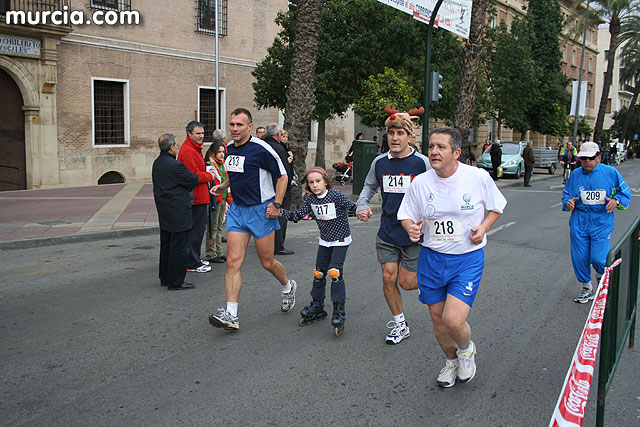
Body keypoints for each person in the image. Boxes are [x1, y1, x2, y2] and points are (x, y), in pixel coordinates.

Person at [398, 126, 507, 388]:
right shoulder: (421, 183)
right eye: (431, 146)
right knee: (437, 319)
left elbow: (497, 206)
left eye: (441, 147)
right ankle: (451, 362)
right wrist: (410, 227)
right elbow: (406, 214)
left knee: (453, 320)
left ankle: (466, 350)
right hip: (432, 259)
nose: (434, 152)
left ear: (456, 152)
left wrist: (483, 228)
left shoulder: (477, 177)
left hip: (466, 259)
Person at [208, 108, 297, 331]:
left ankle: (288, 287)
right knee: (233, 261)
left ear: (249, 126)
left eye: (239, 125)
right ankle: (232, 314)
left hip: (261, 211)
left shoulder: (262, 149)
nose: (235, 128)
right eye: (232, 124)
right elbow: (238, 174)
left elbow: (283, 176)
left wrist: (276, 204)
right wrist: (224, 186)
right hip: (238, 209)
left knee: (267, 261)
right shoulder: (228, 149)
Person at [356, 110, 431, 345]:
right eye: (391, 133)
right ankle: (400, 324)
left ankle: (432, 281)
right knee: (389, 278)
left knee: (407, 283)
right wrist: (362, 204)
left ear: (409, 136)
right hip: (388, 231)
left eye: (400, 133)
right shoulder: (380, 162)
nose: (395, 137)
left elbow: (435, 193)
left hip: (414, 234)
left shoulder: (421, 163)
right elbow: (369, 186)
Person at [280, 167, 357, 336]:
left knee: (335, 273)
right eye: (311, 182)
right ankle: (317, 304)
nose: (315, 185)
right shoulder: (311, 200)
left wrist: (362, 211)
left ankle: (338, 310)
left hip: (341, 239)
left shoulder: (335, 195)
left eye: (318, 181)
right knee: (318, 273)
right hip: (325, 241)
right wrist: (279, 211)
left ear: (325, 181)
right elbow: (296, 217)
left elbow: (352, 207)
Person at [561, 142, 631, 304]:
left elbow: (625, 193)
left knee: (599, 258)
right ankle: (586, 287)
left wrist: (616, 200)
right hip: (579, 220)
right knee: (580, 257)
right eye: (583, 158)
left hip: (601, 220)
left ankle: (601, 278)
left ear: (598, 158)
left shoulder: (611, 172)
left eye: (590, 158)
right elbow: (566, 195)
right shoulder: (576, 174)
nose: (586, 161)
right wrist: (568, 203)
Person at [152, 134, 199, 290]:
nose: (177, 147)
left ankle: (165, 276)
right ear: (171, 146)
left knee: (166, 245)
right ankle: (176, 281)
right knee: (180, 247)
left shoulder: (157, 163)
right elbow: (192, 179)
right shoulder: (175, 165)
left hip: (164, 210)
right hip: (178, 211)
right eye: (176, 145)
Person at [178, 121, 214, 273]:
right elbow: (192, 176)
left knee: (199, 230)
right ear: (189, 134)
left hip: (200, 196)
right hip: (195, 197)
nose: (201, 136)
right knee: (196, 230)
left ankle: (194, 258)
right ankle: (192, 262)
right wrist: (209, 175)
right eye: (198, 133)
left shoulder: (194, 148)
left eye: (202, 133)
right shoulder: (187, 150)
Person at [263, 123, 295, 256]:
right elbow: (284, 171)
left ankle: (267, 243)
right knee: (281, 214)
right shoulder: (278, 148)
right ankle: (278, 245)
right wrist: (288, 184)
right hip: (279, 186)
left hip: (265, 186)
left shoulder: (262, 145)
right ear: (277, 134)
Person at [205, 137, 232, 264]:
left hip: (223, 199)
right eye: (219, 152)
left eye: (223, 152)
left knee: (220, 226)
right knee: (213, 227)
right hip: (215, 200)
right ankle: (211, 252)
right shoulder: (211, 165)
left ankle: (219, 251)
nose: (222, 154)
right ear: (214, 153)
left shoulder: (223, 165)